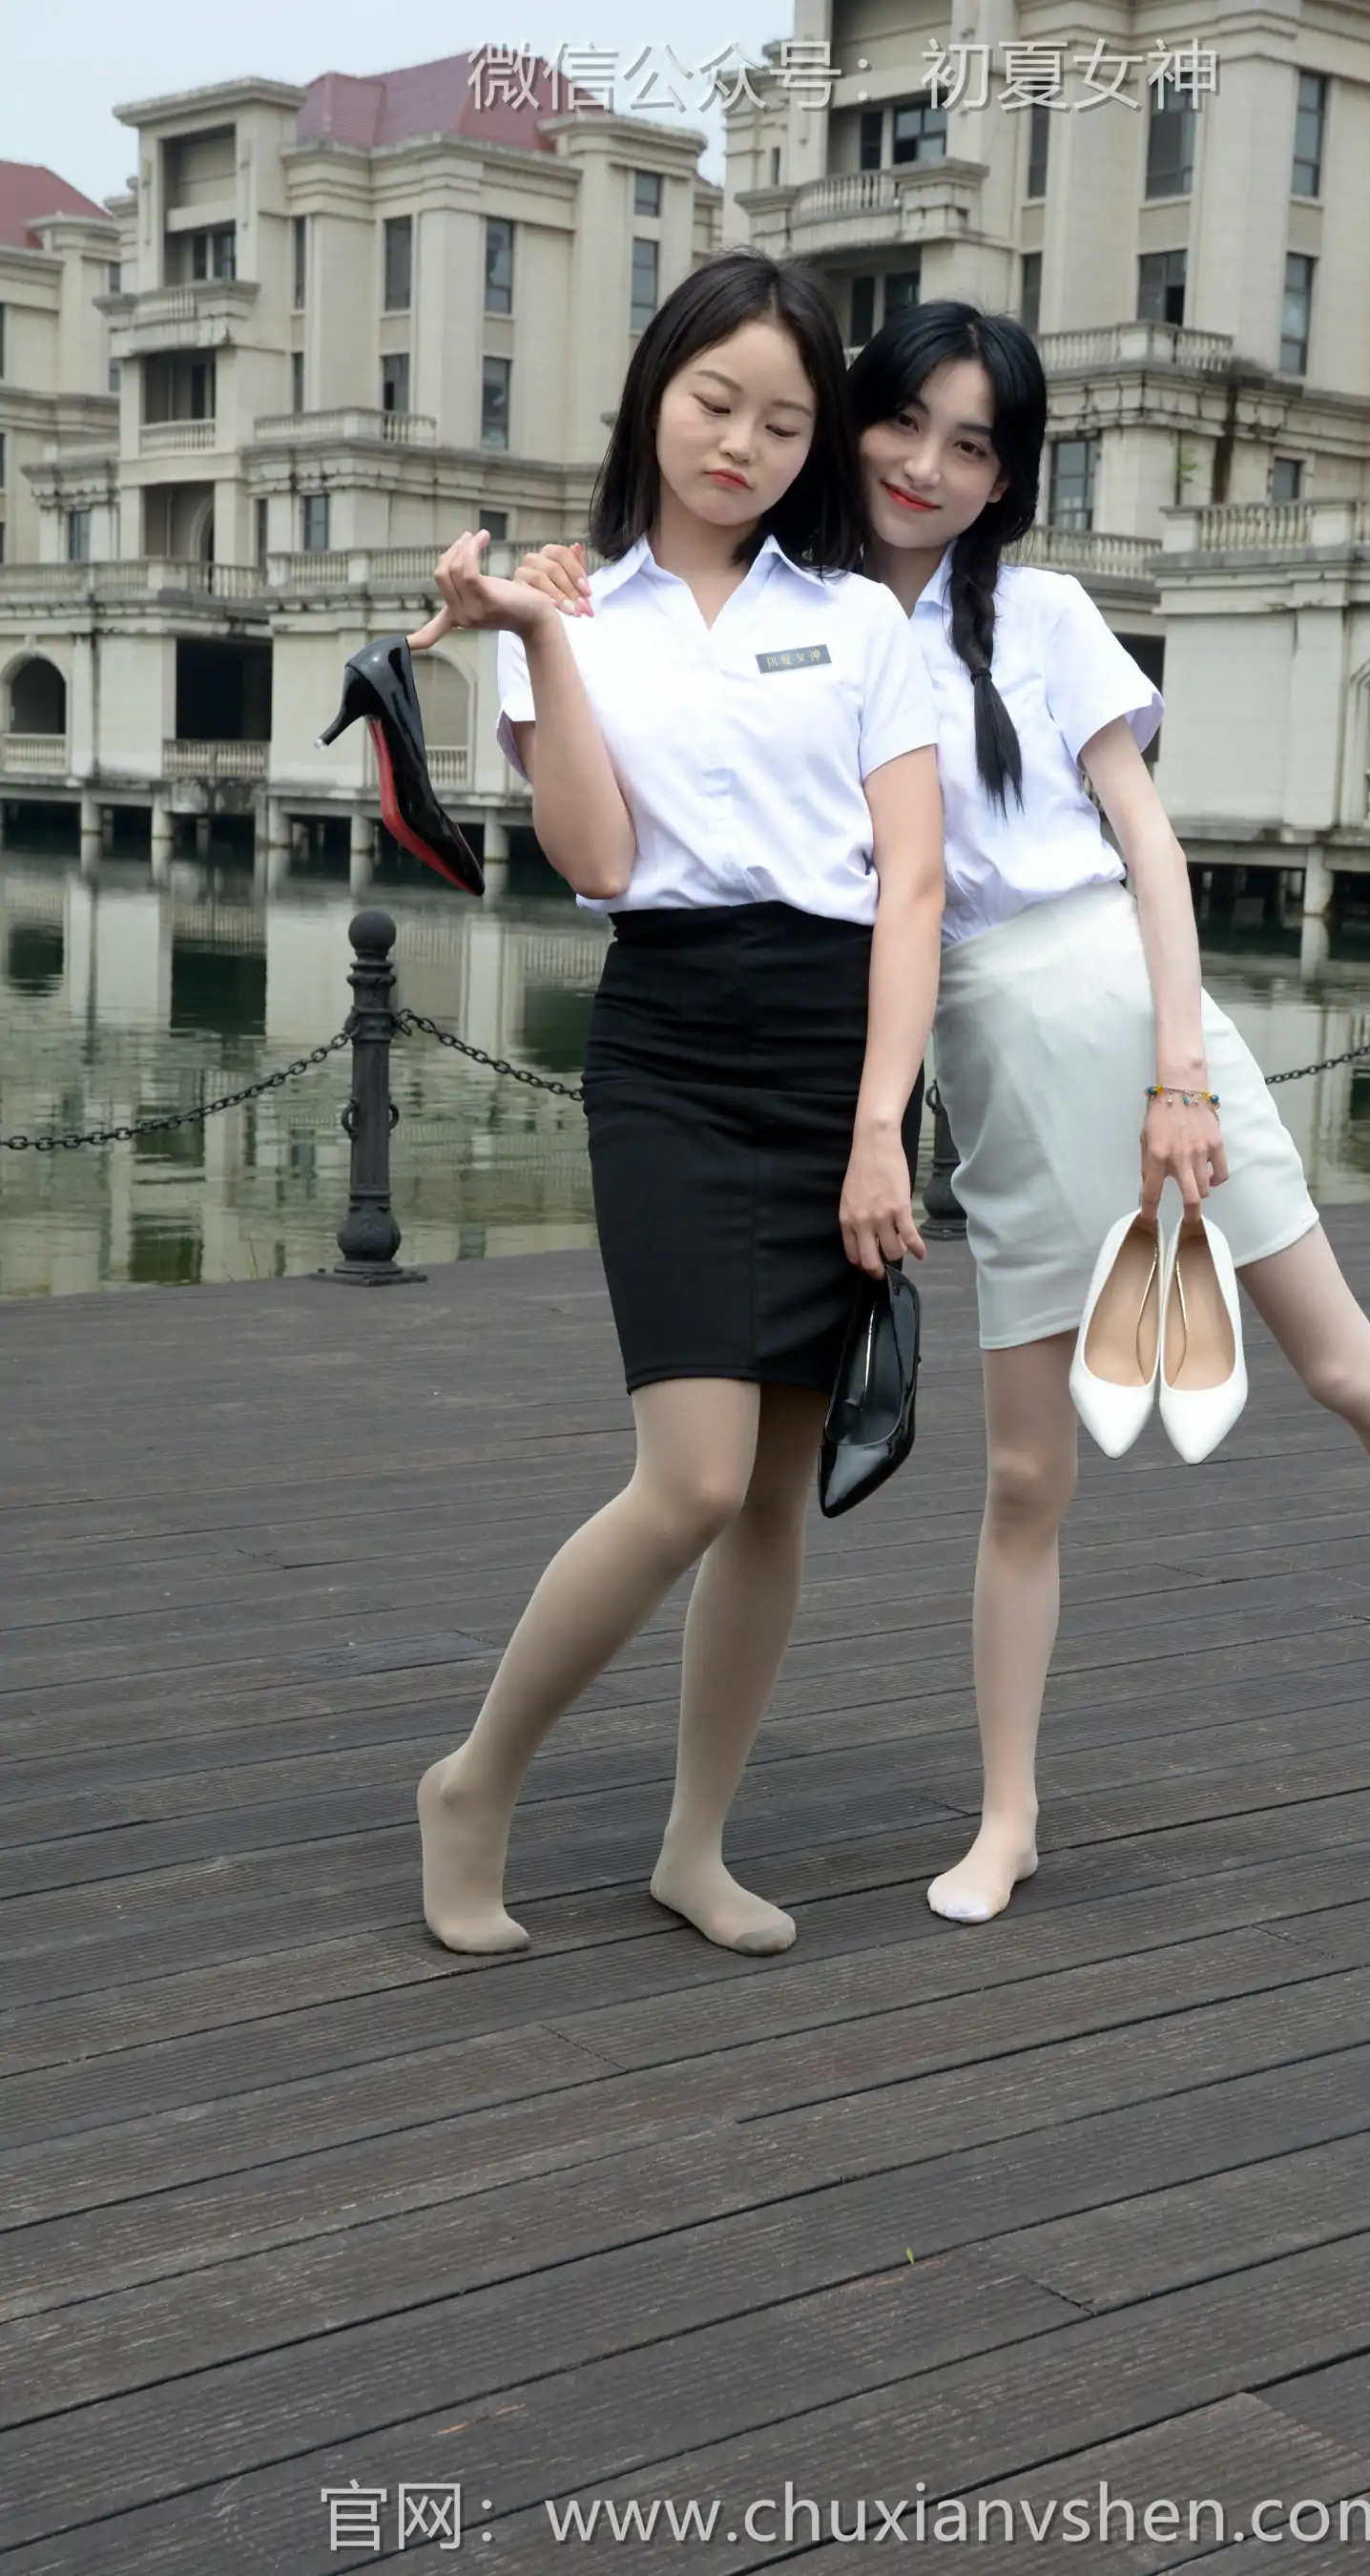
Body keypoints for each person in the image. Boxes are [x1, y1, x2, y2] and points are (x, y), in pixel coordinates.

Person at [515, 301, 1370, 1934]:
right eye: (900, 425)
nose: (925, 467)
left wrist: (1182, 1070)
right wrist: (556, 595)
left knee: (1342, 1362)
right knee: (1026, 1476)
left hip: (1130, 1014)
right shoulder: (801, 612)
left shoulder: (1042, 614)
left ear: (1010, 477)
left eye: (972, 446)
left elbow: (1149, 846)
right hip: (989, 1063)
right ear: (847, 427)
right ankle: (1008, 1814)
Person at [406, 251, 944, 1958]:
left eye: (785, 423)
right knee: (695, 1478)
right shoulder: (565, 612)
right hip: (674, 1050)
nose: (743, 445)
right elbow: (598, 858)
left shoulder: (859, 621)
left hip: (838, 1054)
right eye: (717, 402)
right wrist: (538, 641)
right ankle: (474, 1782)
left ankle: (694, 1846)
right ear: (655, 392)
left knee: (778, 1493)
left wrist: (882, 1126)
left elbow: (914, 886)